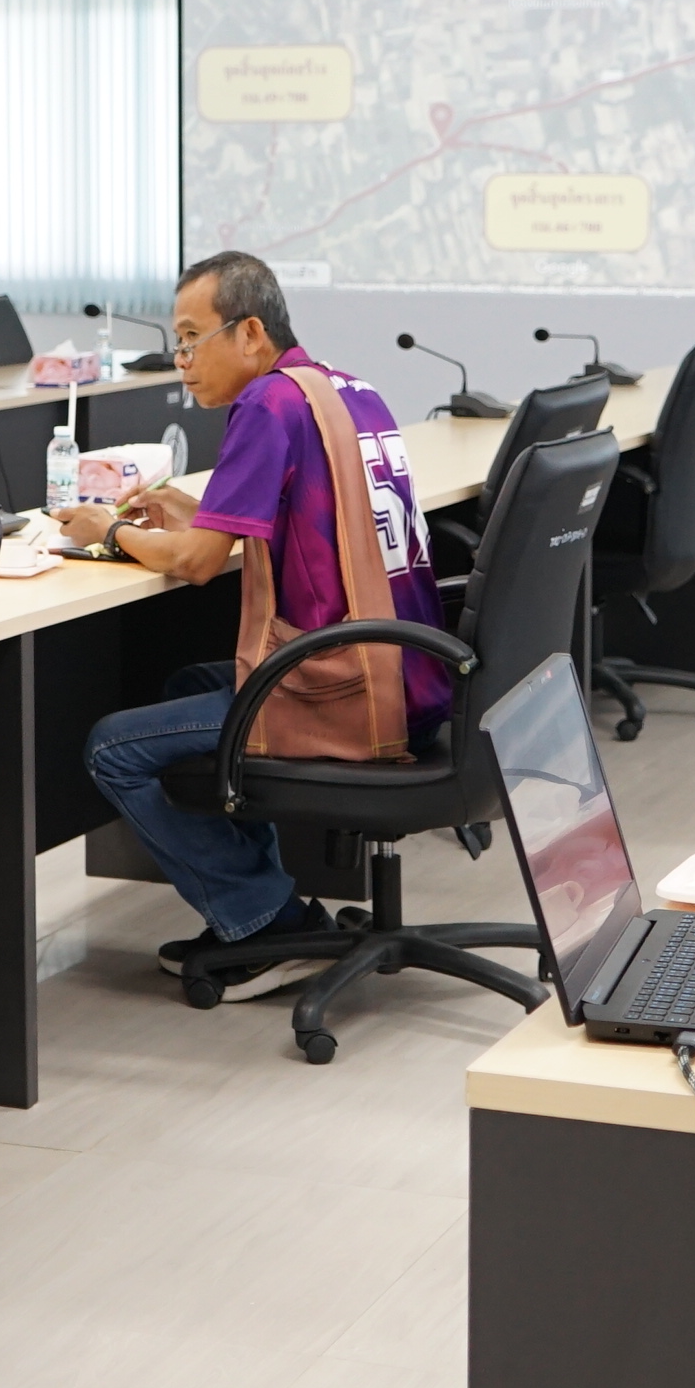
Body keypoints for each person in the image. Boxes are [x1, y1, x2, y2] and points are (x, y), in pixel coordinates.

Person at [65, 251, 446, 968]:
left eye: (190, 338)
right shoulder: (344, 388)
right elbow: (299, 518)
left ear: (248, 333)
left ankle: (262, 921)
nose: (180, 361)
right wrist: (195, 510)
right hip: (412, 673)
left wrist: (108, 531)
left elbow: (198, 564)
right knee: (185, 685)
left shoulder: (268, 404)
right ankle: (271, 902)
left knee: (112, 750)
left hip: (348, 692)